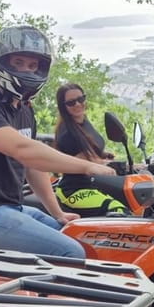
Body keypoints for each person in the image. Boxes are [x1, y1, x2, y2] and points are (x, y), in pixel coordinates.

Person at [0, 25, 115, 258]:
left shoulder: (24, 110)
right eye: (18, 63)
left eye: (33, 65)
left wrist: (58, 213)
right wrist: (87, 166)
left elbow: (32, 166)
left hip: (12, 208)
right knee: (70, 251)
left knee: (81, 237)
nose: (26, 70)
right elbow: (24, 150)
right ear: (1, 63)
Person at [53, 83, 127, 217]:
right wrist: (115, 165)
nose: (77, 104)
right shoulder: (66, 133)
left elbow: (93, 151)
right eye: (71, 102)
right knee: (117, 210)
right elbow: (87, 162)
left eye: (81, 99)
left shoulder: (83, 122)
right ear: (63, 107)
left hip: (95, 184)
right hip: (76, 189)